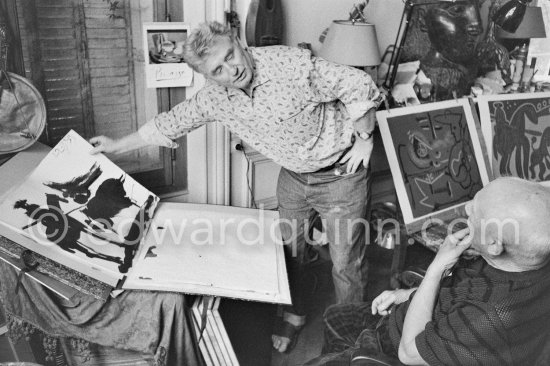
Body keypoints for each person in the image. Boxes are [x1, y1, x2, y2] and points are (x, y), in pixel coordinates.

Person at [89, 21, 383, 353]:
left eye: (231, 55)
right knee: (291, 253)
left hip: (342, 172)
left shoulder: (290, 64)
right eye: (219, 69)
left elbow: (356, 82)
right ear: (208, 76)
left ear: (237, 42)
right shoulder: (215, 98)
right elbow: (173, 120)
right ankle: (294, 314)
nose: (233, 69)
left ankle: (345, 344)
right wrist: (116, 145)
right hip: (294, 177)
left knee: (347, 263)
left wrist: (365, 138)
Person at [307, 177, 550, 365]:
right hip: (417, 318)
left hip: (398, 347)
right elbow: (459, 293)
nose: (466, 210)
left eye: (475, 212)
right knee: (334, 316)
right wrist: (409, 294)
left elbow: (408, 352)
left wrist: (436, 268)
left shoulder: (490, 318)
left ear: (494, 245)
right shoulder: (524, 262)